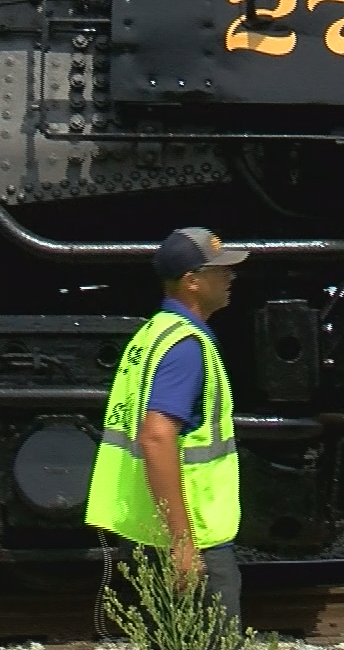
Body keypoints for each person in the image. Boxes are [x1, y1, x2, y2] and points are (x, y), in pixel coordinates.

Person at [85, 227, 247, 619]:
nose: (231, 278)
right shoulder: (186, 346)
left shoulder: (152, 334)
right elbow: (156, 436)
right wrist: (183, 543)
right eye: (220, 271)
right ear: (192, 282)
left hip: (146, 531)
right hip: (191, 534)